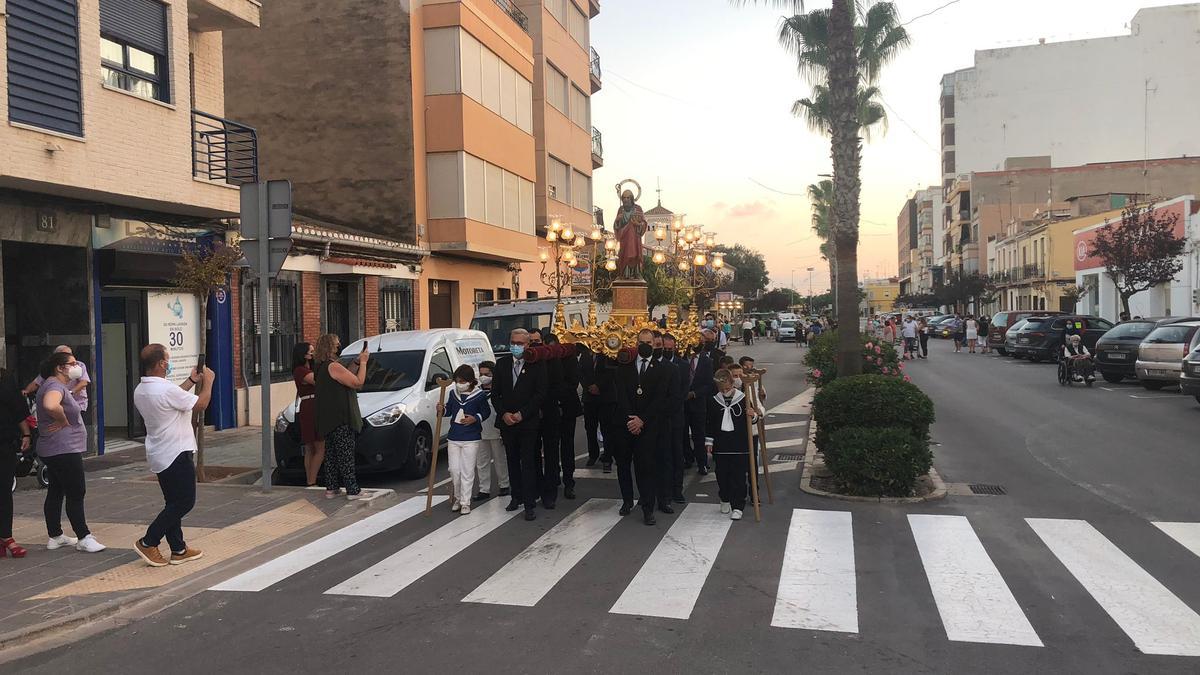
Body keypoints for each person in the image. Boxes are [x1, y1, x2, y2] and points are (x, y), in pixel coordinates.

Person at [131, 344, 213, 566]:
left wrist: (192, 381)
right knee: (185, 502)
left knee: (172, 502)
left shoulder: (142, 389)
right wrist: (209, 382)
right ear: (161, 364)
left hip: (159, 452)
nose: (169, 362)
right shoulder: (166, 389)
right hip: (176, 451)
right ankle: (148, 541)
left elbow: (173, 398)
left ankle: (178, 548)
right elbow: (201, 404)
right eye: (167, 359)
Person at [36, 352, 105, 554]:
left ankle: (55, 536)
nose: (77, 366)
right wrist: (62, 420)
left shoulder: (53, 385)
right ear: (60, 368)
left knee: (56, 490)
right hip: (63, 449)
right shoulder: (54, 386)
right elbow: (50, 405)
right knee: (76, 491)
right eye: (72, 363)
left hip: (54, 448)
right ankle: (84, 536)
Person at [615, 329, 669, 526]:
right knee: (623, 465)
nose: (644, 345)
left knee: (646, 468)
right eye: (641, 341)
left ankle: (648, 507)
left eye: (648, 342)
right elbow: (621, 395)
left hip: (648, 426)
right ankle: (627, 501)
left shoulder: (660, 368)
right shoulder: (625, 366)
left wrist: (642, 420)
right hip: (626, 425)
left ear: (654, 343)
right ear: (636, 343)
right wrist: (631, 419)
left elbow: (659, 398)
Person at [492, 329, 547, 521]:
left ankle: (530, 503)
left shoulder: (536, 365)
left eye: (520, 343)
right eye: (513, 342)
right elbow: (495, 394)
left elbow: (540, 394)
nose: (516, 346)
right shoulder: (502, 364)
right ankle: (516, 496)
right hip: (507, 422)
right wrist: (504, 413)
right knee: (512, 460)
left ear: (527, 345)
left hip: (527, 422)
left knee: (528, 462)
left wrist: (522, 414)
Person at [314, 334, 368, 500]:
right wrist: (364, 363)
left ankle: (332, 488)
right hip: (341, 417)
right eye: (337, 344)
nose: (339, 347)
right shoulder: (333, 366)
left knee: (331, 455)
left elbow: (346, 376)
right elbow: (357, 382)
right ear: (330, 347)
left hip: (327, 418)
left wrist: (357, 362)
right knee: (345, 455)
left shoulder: (321, 367)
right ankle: (352, 490)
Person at [705, 369, 757, 521]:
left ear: (732, 383)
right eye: (721, 388)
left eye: (727, 387)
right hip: (721, 445)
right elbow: (709, 423)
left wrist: (752, 415)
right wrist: (709, 441)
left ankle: (738, 505)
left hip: (740, 445)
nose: (724, 390)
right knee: (722, 475)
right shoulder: (713, 401)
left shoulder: (744, 399)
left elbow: (753, 420)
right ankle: (724, 498)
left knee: (738, 477)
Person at [437, 365, 490, 515]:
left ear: (470, 381)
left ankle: (465, 502)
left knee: (467, 471)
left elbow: (485, 411)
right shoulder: (454, 393)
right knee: (454, 470)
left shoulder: (479, 395)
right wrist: (442, 410)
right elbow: (449, 410)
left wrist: (475, 418)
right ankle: (458, 497)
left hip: (471, 438)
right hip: (454, 437)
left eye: (461, 381)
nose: (459, 384)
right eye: (457, 381)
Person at [528, 329, 562, 508]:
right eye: (531, 341)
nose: (534, 344)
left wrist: (544, 406)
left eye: (537, 340)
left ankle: (550, 493)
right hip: (531, 415)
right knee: (532, 453)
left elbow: (557, 386)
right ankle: (536, 488)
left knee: (550, 454)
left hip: (549, 414)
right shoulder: (526, 361)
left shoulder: (552, 361)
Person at [0, 370, 32, 559]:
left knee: (4, 490)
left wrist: (26, 434)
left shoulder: (6, 378)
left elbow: (18, 409)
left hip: (4, 443)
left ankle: (6, 536)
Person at [548, 333, 582, 500]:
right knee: (551, 446)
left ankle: (569, 482)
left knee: (567, 446)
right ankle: (553, 477)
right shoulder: (542, 360)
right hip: (549, 408)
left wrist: (558, 395)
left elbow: (573, 382)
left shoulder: (569, 358)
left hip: (567, 407)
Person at [659, 333, 688, 508]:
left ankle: (677, 489)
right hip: (659, 418)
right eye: (665, 349)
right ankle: (663, 490)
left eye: (671, 348)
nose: (668, 351)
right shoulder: (657, 364)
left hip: (676, 416)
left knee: (677, 454)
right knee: (662, 456)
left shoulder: (682, 365)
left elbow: (682, 392)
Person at [474, 361, 509, 499]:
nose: (484, 377)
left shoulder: (500, 390)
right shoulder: (476, 392)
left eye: (487, 374)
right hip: (480, 431)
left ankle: (504, 484)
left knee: (500, 459)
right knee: (481, 461)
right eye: (481, 374)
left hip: (496, 430)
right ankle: (484, 489)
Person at [291, 343, 324, 488]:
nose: (313, 353)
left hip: (314, 405)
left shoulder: (309, 368)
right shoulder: (300, 370)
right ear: (303, 354)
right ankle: (312, 480)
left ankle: (310, 480)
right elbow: (318, 380)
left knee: (312, 447)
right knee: (319, 446)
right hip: (311, 407)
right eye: (311, 351)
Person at [24, 345, 90, 412]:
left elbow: (84, 382)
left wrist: (70, 393)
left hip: (78, 405)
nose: (75, 366)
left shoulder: (80, 365)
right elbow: (36, 383)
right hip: (61, 409)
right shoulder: (53, 384)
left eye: (71, 354)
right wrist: (26, 391)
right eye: (71, 363)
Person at [683, 340, 714, 477]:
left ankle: (702, 463)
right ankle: (688, 458)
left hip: (698, 403)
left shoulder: (706, 361)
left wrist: (695, 393)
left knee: (699, 435)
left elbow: (708, 384)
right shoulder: (682, 358)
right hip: (682, 403)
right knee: (682, 434)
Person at [578, 347, 604, 468]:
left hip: (605, 396)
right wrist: (588, 386)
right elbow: (580, 372)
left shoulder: (608, 352)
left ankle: (608, 455)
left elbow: (611, 373)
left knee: (606, 428)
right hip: (589, 397)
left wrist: (599, 386)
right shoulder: (585, 354)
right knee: (590, 428)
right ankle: (593, 454)